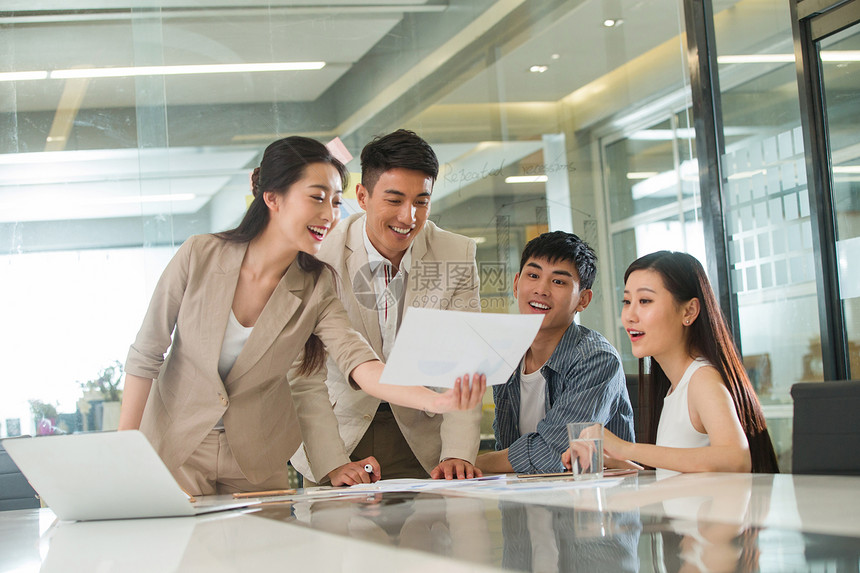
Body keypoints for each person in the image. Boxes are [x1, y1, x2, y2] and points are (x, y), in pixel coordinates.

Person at [117, 136, 485, 496]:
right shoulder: (200, 255)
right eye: (317, 198)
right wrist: (124, 454)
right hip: (174, 451)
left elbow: (359, 362)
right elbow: (147, 354)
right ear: (272, 197)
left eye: (336, 202)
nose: (330, 215)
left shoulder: (316, 281)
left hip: (255, 461)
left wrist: (434, 401)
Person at [290, 129, 483, 485]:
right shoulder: (320, 254)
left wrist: (457, 452)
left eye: (421, 201)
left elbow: (464, 364)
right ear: (362, 196)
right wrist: (328, 460)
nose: (408, 217)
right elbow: (306, 373)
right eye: (394, 200)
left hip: (424, 440)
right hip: (338, 436)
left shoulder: (455, 254)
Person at [563, 250, 779, 474]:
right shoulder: (675, 386)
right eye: (627, 301)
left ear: (689, 310)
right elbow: (675, 477)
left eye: (645, 301)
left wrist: (625, 448)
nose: (629, 315)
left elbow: (736, 459)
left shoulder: (702, 379)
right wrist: (615, 461)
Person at [476, 231, 635, 475]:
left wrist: (471, 464)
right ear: (517, 284)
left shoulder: (596, 359)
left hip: (594, 503)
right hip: (530, 500)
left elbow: (550, 454)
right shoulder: (507, 353)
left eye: (558, 281)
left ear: (583, 299)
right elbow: (508, 447)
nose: (541, 289)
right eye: (533, 275)